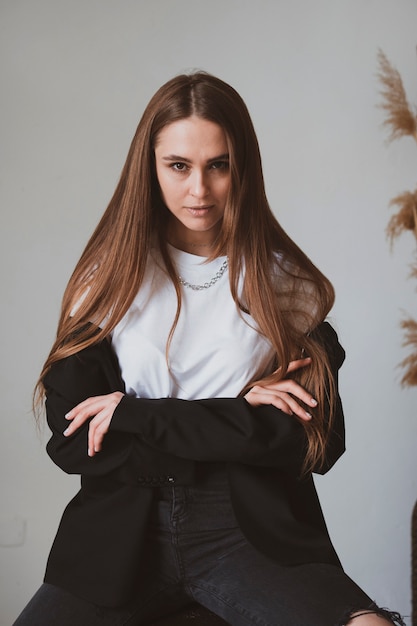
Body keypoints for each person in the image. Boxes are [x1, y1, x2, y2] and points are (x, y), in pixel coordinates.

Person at [13, 72, 405, 626]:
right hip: (123, 537)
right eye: (179, 166)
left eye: (217, 165)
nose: (199, 189)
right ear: (148, 168)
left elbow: (314, 443)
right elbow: (75, 443)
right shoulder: (106, 282)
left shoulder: (284, 288)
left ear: (241, 167)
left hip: (247, 534)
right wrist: (239, 418)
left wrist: (135, 415)